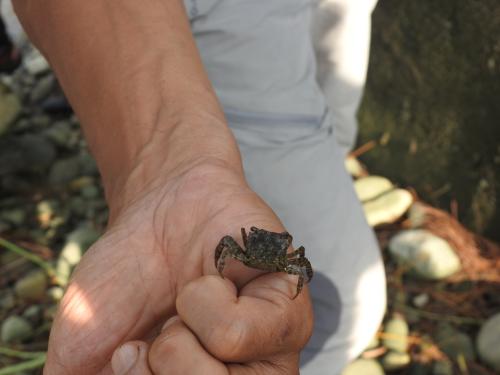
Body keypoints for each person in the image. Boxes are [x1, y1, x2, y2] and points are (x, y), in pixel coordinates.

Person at [13, 0, 385, 374]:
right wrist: (168, 171)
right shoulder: (236, 244)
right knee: (340, 320)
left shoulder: (287, 258)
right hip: (223, 26)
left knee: (343, 313)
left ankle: (331, 154)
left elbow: (297, 265)